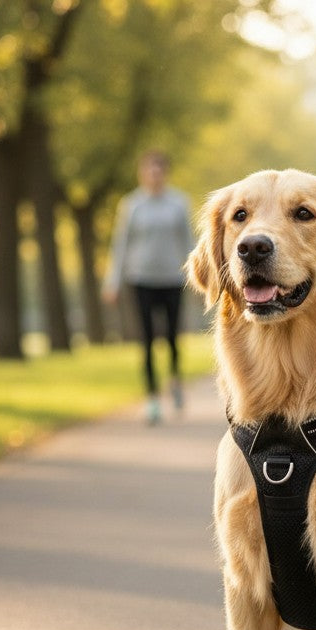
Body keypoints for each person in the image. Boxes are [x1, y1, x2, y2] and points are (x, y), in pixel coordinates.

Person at [103, 150, 195, 425]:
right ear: (142, 173)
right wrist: (112, 281)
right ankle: (153, 399)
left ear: (164, 173)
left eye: (159, 169)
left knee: (171, 338)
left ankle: (175, 381)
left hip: (172, 279)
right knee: (145, 341)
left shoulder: (179, 203)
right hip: (140, 279)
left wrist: (199, 276)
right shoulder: (131, 205)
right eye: (149, 169)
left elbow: (189, 243)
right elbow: (121, 244)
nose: (154, 174)